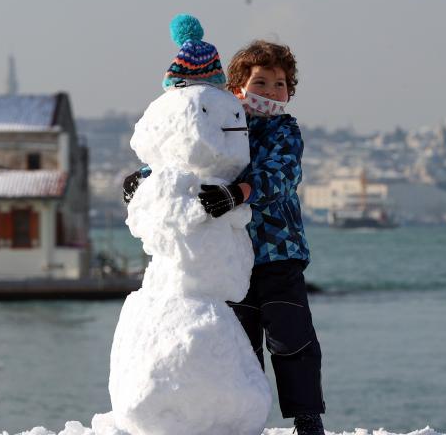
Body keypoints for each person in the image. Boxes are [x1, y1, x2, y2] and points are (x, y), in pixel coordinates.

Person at [124, 35, 326, 435]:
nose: (271, 91)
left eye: (280, 84)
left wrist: (239, 193)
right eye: (261, 82)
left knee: (292, 339)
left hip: (279, 254)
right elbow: (193, 158)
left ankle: (307, 417)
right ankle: (244, 418)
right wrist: (146, 179)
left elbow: (282, 175)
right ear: (238, 87)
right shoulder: (224, 123)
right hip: (233, 258)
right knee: (241, 344)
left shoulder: (285, 130)